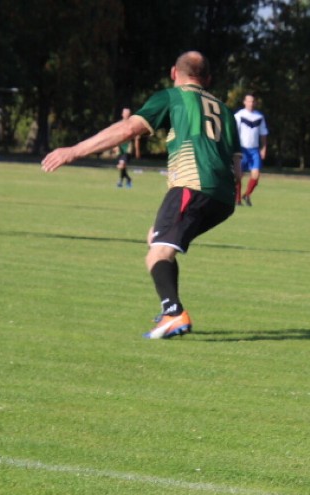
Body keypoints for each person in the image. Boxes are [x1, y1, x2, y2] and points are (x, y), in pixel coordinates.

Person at [42, 51, 242, 339]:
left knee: (156, 254)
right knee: (156, 239)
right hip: (223, 198)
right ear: (208, 79)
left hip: (193, 185)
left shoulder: (172, 97)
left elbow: (127, 129)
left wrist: (73, 150)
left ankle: (174, 313)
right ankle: (170, 309)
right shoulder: (224, 109)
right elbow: (237, 167)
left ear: (174, 72)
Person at [234, 93, 268, 206]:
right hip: (242, 150)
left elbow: (263, 133)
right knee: (239, 175)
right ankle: (237, 199)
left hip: (254, 150)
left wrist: (264, 148)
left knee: (256, 174)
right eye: (249, 101)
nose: (251, 103)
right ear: (244, 102)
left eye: (253, 101)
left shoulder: (259, 116)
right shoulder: (239, 115)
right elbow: (234, 132)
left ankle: (247, 195)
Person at [115, 107, 140, 188]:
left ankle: (122, 180)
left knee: (121, 165)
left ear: (130, 115)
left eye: (128, 114)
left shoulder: (133, 126)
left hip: (127, 149)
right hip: (120, 148)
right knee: (123, 167)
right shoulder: (119, 124)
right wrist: (114, 146)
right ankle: (125, 180)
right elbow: (114, 137)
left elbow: (136, 139)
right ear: (122, 114)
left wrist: (137, 151)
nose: (126, 115)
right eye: (125, 114)